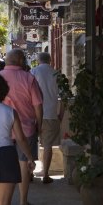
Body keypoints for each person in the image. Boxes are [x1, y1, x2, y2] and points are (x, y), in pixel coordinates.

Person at [0, 74, 36, 205]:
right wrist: (30, 157)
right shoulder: (10, 111)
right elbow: (21, 138)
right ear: (4, 90)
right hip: (7, 156)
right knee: (4, 202)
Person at [0, 48, 43, 205]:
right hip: (27, 129)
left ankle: (4, 201)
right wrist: (40, 124)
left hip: (2, 130)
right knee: (24, 164)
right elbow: (38, 105)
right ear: (21, 61)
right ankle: (23, 201)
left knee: (4, 165)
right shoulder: (29, 78)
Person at [31, 52, 64, 184]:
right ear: (50, 60)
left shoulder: (33, 72)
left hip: (33, 114)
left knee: (30, 143)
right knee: (48, 145)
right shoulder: (57, 74)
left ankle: (29, 173)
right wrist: (60, 114)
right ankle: (45, 174)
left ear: (38, 60)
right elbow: (64, 97)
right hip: (50, 114)